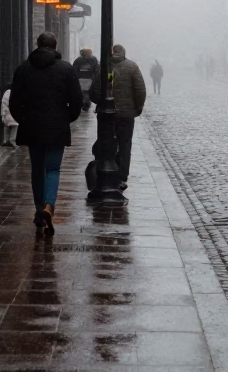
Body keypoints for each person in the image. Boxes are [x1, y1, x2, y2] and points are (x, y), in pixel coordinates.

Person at [9, 31, 83, 235]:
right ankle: (49, 206)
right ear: (55, 46)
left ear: (38, 44)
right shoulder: (66, 69)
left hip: (32, 127)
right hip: (56, 127)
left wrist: (23, 119)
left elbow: (14, 101)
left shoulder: (24, 69)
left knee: (37, 169)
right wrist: (66, 118)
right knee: (53, 169)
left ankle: (39, 208)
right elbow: (76, 100)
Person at [91, 44, 146, 189]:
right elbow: (140, 90)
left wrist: (101, 102)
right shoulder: (132, 67)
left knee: (106, 142)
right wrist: (137, 108)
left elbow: (94, 91)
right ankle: (121, 176)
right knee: (125, 144)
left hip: (106, 115)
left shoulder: (103, 67)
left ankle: (105, 171)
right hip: (126, 114)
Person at [72, 47, 99, 112]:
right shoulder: (93, 59)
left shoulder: (78, 60)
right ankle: (86, 104)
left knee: (83, 92)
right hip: (89, 78)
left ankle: (84, 104)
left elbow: (74, 69)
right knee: (86, 92)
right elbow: (96, 69)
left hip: (81, 78)